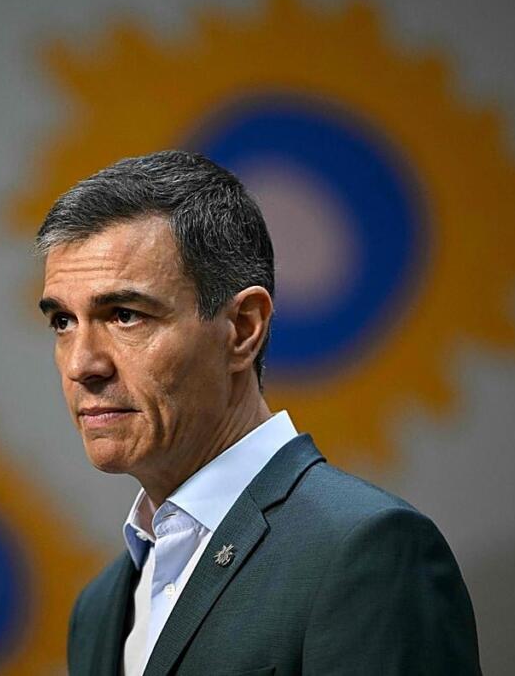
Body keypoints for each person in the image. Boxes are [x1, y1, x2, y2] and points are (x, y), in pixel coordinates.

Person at [36, 150, 480, 675]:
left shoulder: (366, 552)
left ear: (243, 329)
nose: (82, 365)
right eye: (63, 322)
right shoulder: (97, 610)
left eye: (125, 315)